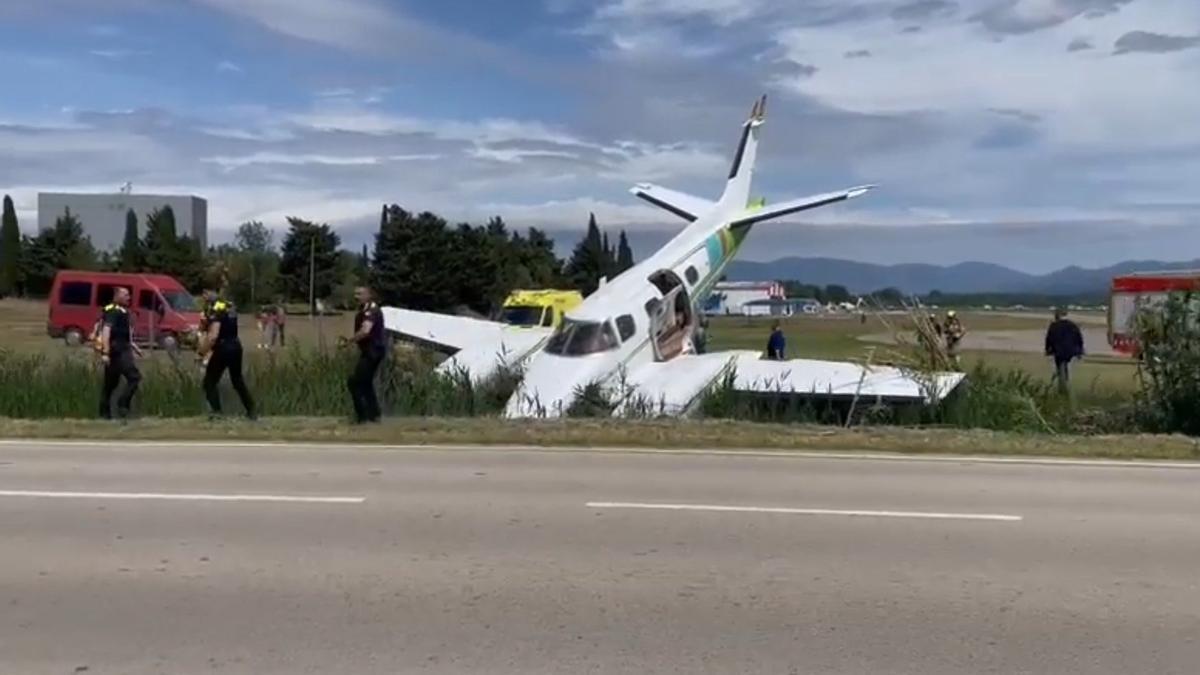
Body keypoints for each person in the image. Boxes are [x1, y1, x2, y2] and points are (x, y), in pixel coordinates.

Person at [198, 290, 256, 419]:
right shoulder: (229, 306)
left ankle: (217, 412)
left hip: (223, 347)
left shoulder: (216, 308)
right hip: (236, 346)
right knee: (237, 380)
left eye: (206, 294)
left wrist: (202, 352)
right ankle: (251, 410)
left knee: (210, 381)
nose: (204, 297)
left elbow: (213, 335)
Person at [98, 287, 142, 420]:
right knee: (134, 377)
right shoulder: (113, 311)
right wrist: (105, 353)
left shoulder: (122, 311)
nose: (129, 297)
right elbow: (106, 331)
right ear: (117, 296)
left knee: (110, 384)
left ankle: (105, 415)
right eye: (126, 295)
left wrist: (133, 345)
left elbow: (122, 332)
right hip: (118, 351)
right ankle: (123, 403)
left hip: (121, 348)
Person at [347, 287, 387, 424]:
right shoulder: (365, 310)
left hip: (373, 351)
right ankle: (374, 415)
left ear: (368, 295)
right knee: (366, 383)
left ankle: (363, 417)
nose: (356, 297)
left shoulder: (371, 311)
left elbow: (365, 331)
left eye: (359, 294)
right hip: (371, 350)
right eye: (355, 294)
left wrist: (350, 340)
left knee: (355, 382)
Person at [1045, 308, 1084, 394]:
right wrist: (1080, 351)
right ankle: (1065, 382)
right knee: (1065, 365)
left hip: (1058, 350)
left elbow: (1049, 339)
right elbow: (1079, 339)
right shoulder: (1073, 325)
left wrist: (1048, 350)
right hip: (1070, 350)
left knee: (1059, 365)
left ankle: (1062, 386)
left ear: (1057, 316)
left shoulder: (1054, 326)